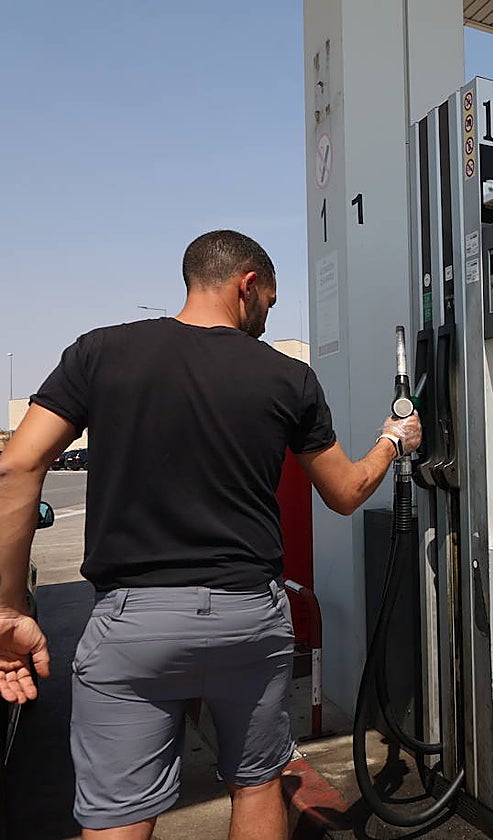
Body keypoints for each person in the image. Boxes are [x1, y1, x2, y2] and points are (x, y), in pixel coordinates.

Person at [0, 230, 422, 839]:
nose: (265, 319)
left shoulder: (99, 353)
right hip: (248, 619)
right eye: (269, 304)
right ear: (248, 285)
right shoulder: (287, 377)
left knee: (120, 812)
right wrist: (392, 440)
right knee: (255, 787)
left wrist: (11, 607)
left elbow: (16, 466)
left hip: (133, 624)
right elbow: (347, 491)